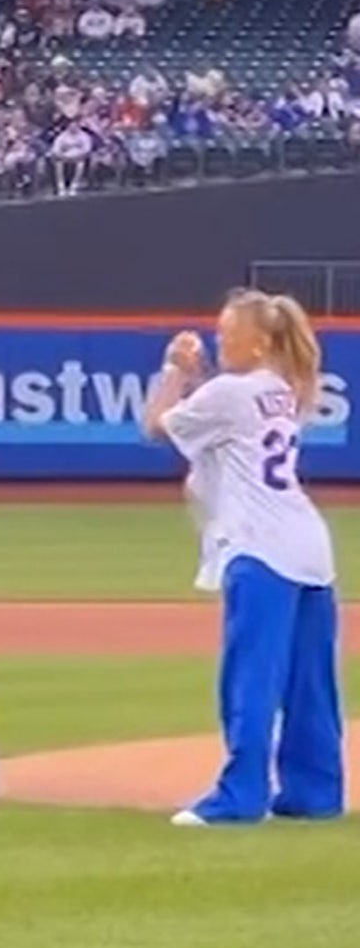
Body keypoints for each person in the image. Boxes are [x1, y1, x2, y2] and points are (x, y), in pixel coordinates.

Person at [141, 290, 343, 827]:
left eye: (228, 332)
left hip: (260, 548)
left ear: (259, 343)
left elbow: (156, 426)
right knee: (308, 682)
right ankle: (315, 791)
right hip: (309, 547)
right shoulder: (285, 389)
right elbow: (226, 418)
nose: (218, 338)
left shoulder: (233, 390)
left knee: (250, 676)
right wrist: (203, 373)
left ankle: (240, 796)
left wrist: (172, 372)